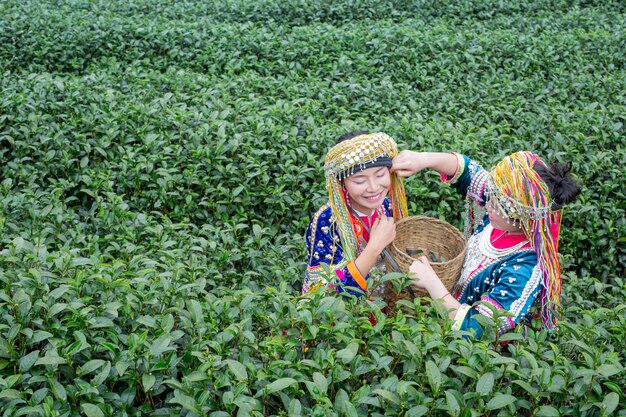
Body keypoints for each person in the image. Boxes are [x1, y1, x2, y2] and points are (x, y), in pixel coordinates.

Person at [392, 151, 581, 338]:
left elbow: (478, 329)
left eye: (497, 205)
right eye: (490, 194)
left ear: (522, 217)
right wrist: (423, 159)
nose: (487, 204)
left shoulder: (525, 268)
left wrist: (431, 282)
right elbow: (466, 171)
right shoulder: (503, 207)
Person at [303, 131, 408, 297]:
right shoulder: (328, 220)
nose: (373, 187)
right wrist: (374, 247)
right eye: (360, 180)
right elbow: (325, 293)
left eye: (380, 174)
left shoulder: (387, 206)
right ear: (341, 182)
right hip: (351, 317)